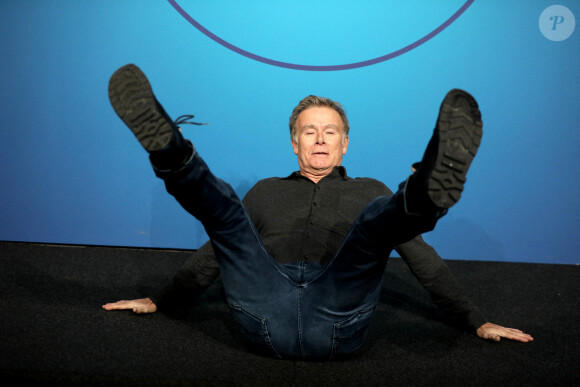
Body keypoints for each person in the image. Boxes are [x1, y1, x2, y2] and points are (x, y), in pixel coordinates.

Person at [103, 64, 533, 360]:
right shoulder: (266, 191)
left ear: (345, 143)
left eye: (331, 132)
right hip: (264, 309)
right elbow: (219, 252)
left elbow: (422, 260)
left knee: (372, 223)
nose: (321, 139)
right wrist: (160, 299)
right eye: (310, 131)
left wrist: (475, 320)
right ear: (295, 143)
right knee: (228, 216)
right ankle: (170, 152)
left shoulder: (369, 190)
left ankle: (426, 190)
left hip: (338, 315)